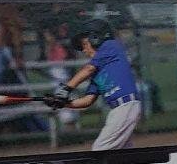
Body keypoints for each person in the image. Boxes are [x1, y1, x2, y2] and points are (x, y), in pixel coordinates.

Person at [46, 19, 142, 150]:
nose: (84, 50)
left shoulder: (110, 46)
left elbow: (88, 69)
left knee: (99, 149)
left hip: (126, 106)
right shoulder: (98, 72)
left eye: (85, 45)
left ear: (96, 38)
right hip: (118, 110)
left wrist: (65, 89)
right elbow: (87, 100)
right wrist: (62, 103)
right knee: (121, 153)